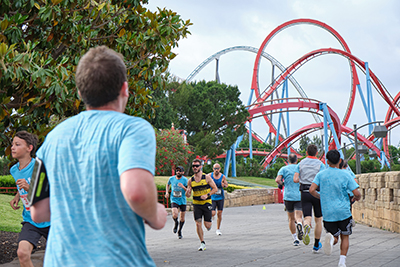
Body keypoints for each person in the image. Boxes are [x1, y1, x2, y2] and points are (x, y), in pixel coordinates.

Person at [30, 46, 167, 266]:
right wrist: (155, 215)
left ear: (80, 93)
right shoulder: (133, 129)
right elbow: (137, 192)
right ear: (125, 88)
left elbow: (38, 211)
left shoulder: (52, 139)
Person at [310, 150, 361, 267]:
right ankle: (342, 262)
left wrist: (320, 196)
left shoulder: (321, 175)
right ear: (339, 161)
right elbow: (356, 193)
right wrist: (356, 198)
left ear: (327, 161)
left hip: (328, 212)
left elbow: (312, 190)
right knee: (345, 236)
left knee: (335, 236)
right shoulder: (345, 174)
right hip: (343, 211)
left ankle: (332, 240)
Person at [9, 131, 51, 267]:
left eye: (17, 144)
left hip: (52, 220)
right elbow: (21, 184)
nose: (12, 147)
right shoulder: (14, 170)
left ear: (29, 148)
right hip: (31, 220)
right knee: (22, 253)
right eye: (12, 144)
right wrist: (17, 196)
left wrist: (29, 188)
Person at [293, 144, 325, 252]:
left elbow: (295, 179)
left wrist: (302, 179)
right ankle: (316, 245)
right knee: (318, 219)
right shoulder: (321, 164)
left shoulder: (301, 163)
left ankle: (304, 225)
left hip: (305, 192)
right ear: (316, 153)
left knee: (307, 217)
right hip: (317, 192)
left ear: (306, 152)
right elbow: (323, 179)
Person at [186, 158, 218, 251]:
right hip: (196, 204)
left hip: (206, 203)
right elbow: (188, 195)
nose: (195, 168)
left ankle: (210, 220)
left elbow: (215, 189)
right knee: (198, 224)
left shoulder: (206, 177)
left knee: (207, 226)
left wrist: (207, 195)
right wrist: (187, 192)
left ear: (200, 166)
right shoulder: (190, 180)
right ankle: (202, 243)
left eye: (197, 166)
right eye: (193, 166)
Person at [275, 154, 303, 246]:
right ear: (296, 160)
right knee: (298, 217)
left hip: (288, 196)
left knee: (291, 218)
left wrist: (283, 184)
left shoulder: (283, 169)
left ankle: (295, 239)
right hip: (299, 195)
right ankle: (300, 224)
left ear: (288, 160)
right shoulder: (299, 168)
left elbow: (277, 180)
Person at [165, 166, 188, 239]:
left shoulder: (185, 180)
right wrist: (167, 192)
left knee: (182, 218)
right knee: (175, 214)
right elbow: (168, 184)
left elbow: (188, 191)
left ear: (183, 172)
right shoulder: (171, 178)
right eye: (177, 171)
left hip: (182, 200)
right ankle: (176, 223)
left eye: (180, 171)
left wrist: (183, 186)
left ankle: (180, 231)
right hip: (174, 199)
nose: (178, 172)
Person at [210, 163, 228, 236]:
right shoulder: (210, 176)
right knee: (213, 212)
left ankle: (218, 229)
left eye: (217, 168)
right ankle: (210, 218)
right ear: (213, 169)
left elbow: (226, 185)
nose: (216, 170)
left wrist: (224, 185)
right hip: (212, 197)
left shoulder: (223, 177)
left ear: (220, 169)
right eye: (215, 168)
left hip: (220, 197)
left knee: (219, 213)